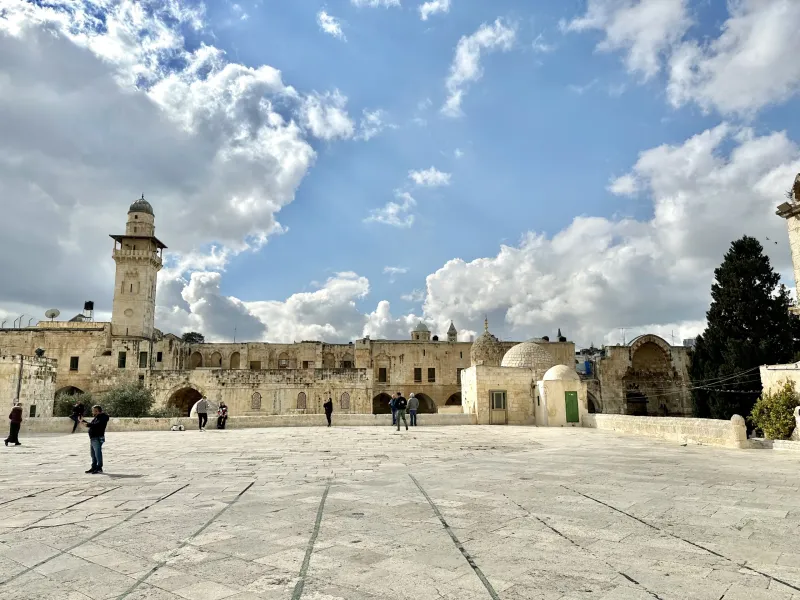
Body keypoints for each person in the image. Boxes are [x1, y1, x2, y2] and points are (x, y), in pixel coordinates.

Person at [82, 405, 109, 474]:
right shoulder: (97, 418)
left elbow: (97, 425)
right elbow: (93, 424)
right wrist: (83, 421)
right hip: (93, 438)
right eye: (93, 411)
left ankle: (99, 467)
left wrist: (88, 425)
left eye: (94, 411)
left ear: (98, 411)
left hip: (97, 437)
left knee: (97, 453)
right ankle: (94, 467)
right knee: (93, 454)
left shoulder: (103, 417)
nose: (93, 412)